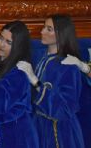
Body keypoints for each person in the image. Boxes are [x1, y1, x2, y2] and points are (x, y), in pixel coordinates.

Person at [14, 15, 84, 147]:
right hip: (39, 126)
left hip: (59, 133)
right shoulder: (41, 57)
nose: (42, 32)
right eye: (44, 27)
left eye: (49, 29)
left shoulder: (68, 65)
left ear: (61, 34)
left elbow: (65, 109)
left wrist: (35, 82)